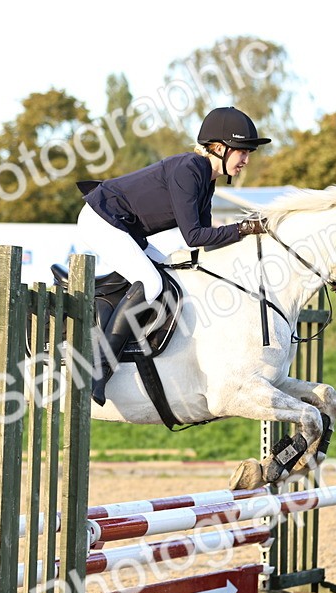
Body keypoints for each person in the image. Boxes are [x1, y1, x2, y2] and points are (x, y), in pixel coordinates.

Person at [76, 106, 272, 405]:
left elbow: (204, 242)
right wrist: (244, 228)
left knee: (171, 272)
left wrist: (247, 240)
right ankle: (100, 368)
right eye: (242, 151)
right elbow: (194, 236)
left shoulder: (206, 179)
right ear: (219, 148)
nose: (246, 159)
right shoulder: (189, 169)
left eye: (248, 153)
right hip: (101, 220)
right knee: (152, 284)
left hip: (124, 228)